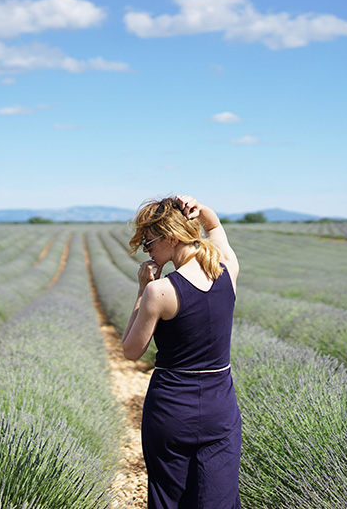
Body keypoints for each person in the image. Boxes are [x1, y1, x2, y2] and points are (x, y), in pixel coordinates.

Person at [122, 195, 242, 509]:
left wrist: (141, 290)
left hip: (172, 407)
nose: (147, 250)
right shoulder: (228, 270)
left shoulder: (159, 291)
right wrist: (202, 211)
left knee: (169, 497)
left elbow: (132, 350)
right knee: (219, 498)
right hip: (220, 405)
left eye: (148, 242)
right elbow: (215, 229)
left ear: (172, 238)